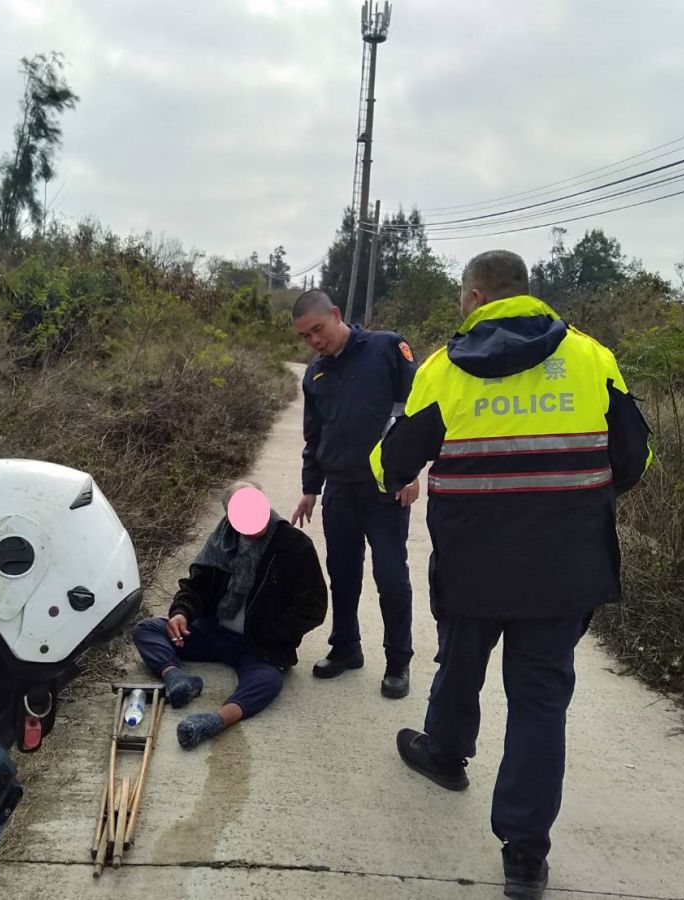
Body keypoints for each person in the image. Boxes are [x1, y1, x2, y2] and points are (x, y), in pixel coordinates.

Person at [370, 250, 651, 900]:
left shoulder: (443, 368)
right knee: (540, 700)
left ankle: (445, 756)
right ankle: (525, 858)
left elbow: (393, 462)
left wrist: (390, 468)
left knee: (461, 658)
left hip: (472, 563)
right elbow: (634, 458)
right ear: (528, 294)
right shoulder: (591, 358)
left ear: (472, 298)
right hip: (564, 566)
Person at [290, 290, 419, 699]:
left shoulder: (385, 347)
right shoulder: (315, 375)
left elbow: (414, 412)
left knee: (391, 578)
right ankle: (346, 648)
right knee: (342, 576)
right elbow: (314, 436)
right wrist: (311, 489)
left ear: (336, 315)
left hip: (385, 488)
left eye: (318, 329)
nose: (314, 341)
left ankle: (398, 661)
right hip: (340, 491)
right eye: (306, 337)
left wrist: (410, 471)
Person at [131, 481, 327, 749]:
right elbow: (196, 585)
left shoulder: (295, 546)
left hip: (260, 645)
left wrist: (272, 633)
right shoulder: (221, 542)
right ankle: (176, 677)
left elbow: (313, 607)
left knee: (268, 682)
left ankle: (213, 721)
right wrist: (181, 613)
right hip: (215, 631)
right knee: (148, 629)